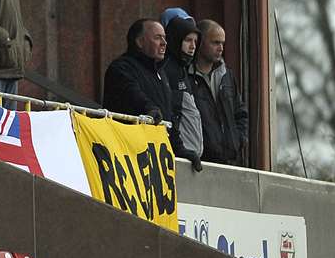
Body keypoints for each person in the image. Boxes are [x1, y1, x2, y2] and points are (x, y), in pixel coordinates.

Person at [191, 19, 247, 166]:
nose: (221, 48)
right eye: (215, 42)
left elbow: (240, 112)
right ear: (200, 42)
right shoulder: (186, 76)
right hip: (201, 161)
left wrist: (238, 140)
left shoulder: (227, 76)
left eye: (222, 43)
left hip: (230, 159)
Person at [101, 19, 175, 126]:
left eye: (164, 38)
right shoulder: (122, 68)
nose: (164, 43)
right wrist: (150, 109)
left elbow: (169, 115)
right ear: (140, 42)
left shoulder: (161, 73)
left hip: (160, 139)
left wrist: (177, 142)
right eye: (158, 38)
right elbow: (132, 94)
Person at [161, 14, 205, 167]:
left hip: (191, 156)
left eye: (195, 41)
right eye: (188, 41)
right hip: (176, 155)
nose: (193, 46)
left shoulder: (183, 70)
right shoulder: (165, 69)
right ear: (175, 40)